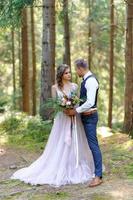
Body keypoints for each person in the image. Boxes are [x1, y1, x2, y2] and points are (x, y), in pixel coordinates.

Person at [11, 64, 95, 187]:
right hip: (62, 119)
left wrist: (73, 109)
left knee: (75, 141)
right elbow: (56, 104)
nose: (69, 75)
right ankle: (60, 165)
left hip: (73, 117)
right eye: (66, 73)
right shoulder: (55, 88)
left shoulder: (74, 86)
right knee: (62, 142)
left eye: (70, 72)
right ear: (61, 75)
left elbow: (77, 102)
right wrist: (65, 109)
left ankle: (74, 165)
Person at [64, 59, 103, 187]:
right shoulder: (86, 80)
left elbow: (90, 102)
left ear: (81, 69)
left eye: (76, 69)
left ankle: (98, 176)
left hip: (90, 117)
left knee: (93, 145)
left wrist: (76, 111)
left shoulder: (91, 81)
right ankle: (91, 170)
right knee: (89, 145)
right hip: (85, 117)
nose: (76, 72)